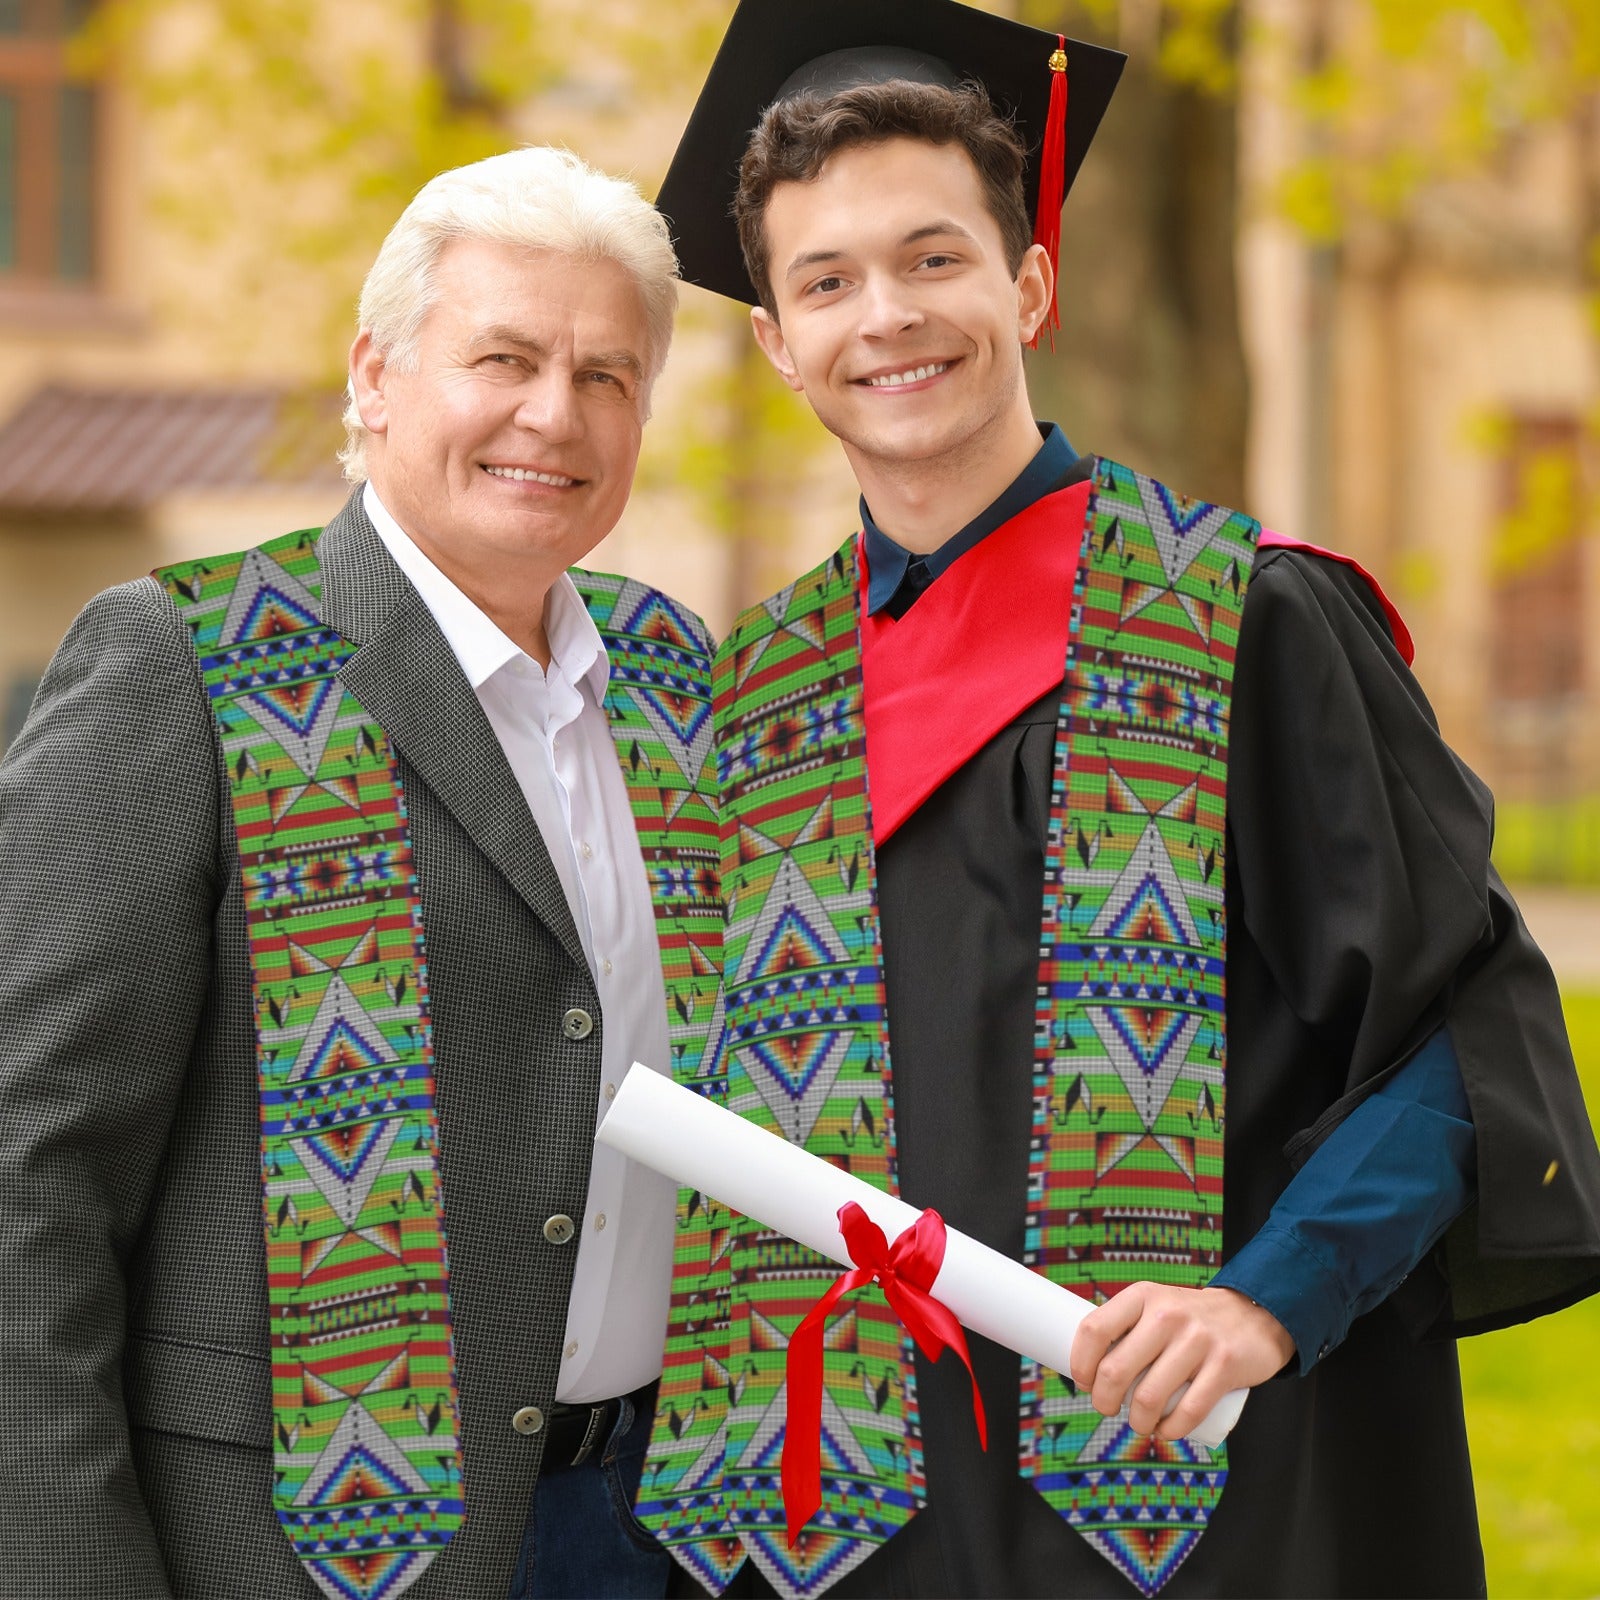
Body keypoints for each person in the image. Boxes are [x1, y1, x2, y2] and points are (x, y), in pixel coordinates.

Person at [629, 3, 1600, 1597]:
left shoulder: (1245, 621)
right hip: (851, 1529)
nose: (888, 316)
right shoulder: (758, 699)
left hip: (1193, 1497)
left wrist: (1268, 1299)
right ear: (778, 342)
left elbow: (1462, 1034)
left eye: (934, 259)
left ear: (1029, 282)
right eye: (828, 281)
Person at [0, 146, 720, 1600]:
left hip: (651, 1530)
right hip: (294, 1549)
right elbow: (29, 1173)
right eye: (503, 357)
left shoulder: (671, 677)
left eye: (605, 375)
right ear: (375, 377)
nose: (552, 413)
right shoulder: (189, 664)